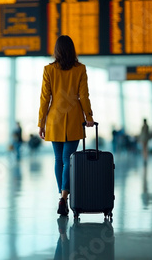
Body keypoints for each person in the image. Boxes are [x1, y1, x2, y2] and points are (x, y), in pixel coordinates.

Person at [38, 35, 94, 217]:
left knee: (58, 160)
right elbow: (84, 95)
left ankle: (61, 197)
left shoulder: (49, 70)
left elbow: (45, 98)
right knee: (68, 159)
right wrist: (89, 116)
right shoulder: (80, 69)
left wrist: (41, 123)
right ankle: (64, 196)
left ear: (57, 51)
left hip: (54, 119)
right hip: (73, 119)